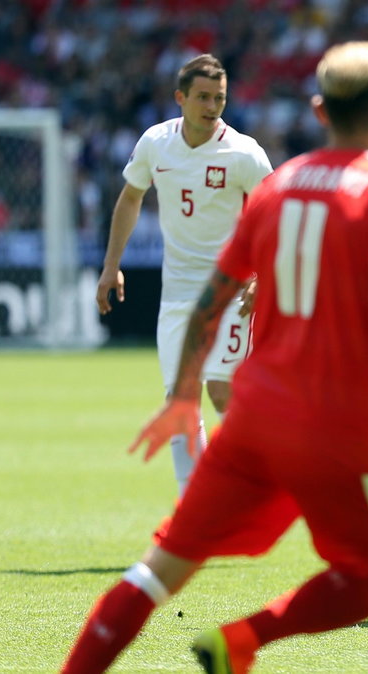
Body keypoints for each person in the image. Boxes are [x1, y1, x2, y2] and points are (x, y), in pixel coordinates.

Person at [62, 41, 368, 673]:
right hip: (333, 432)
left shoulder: (279, 184)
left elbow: (213, 297)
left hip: (253, 422)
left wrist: (181, 396)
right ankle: (243, 641)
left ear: (318, 109)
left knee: (157, 574)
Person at [95, 54, 274, 496]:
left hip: (232, 290)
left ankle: (259, 480)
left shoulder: (244, 152)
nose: (212, 106)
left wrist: (261, 275)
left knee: (220, 390)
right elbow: (131, 198)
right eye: (203, 97)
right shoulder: (156, 143)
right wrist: (110, 266)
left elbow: (275, 214)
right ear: (180, 98)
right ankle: (193, 506)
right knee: (181, 402)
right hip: (177, 294)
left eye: (220, 98)